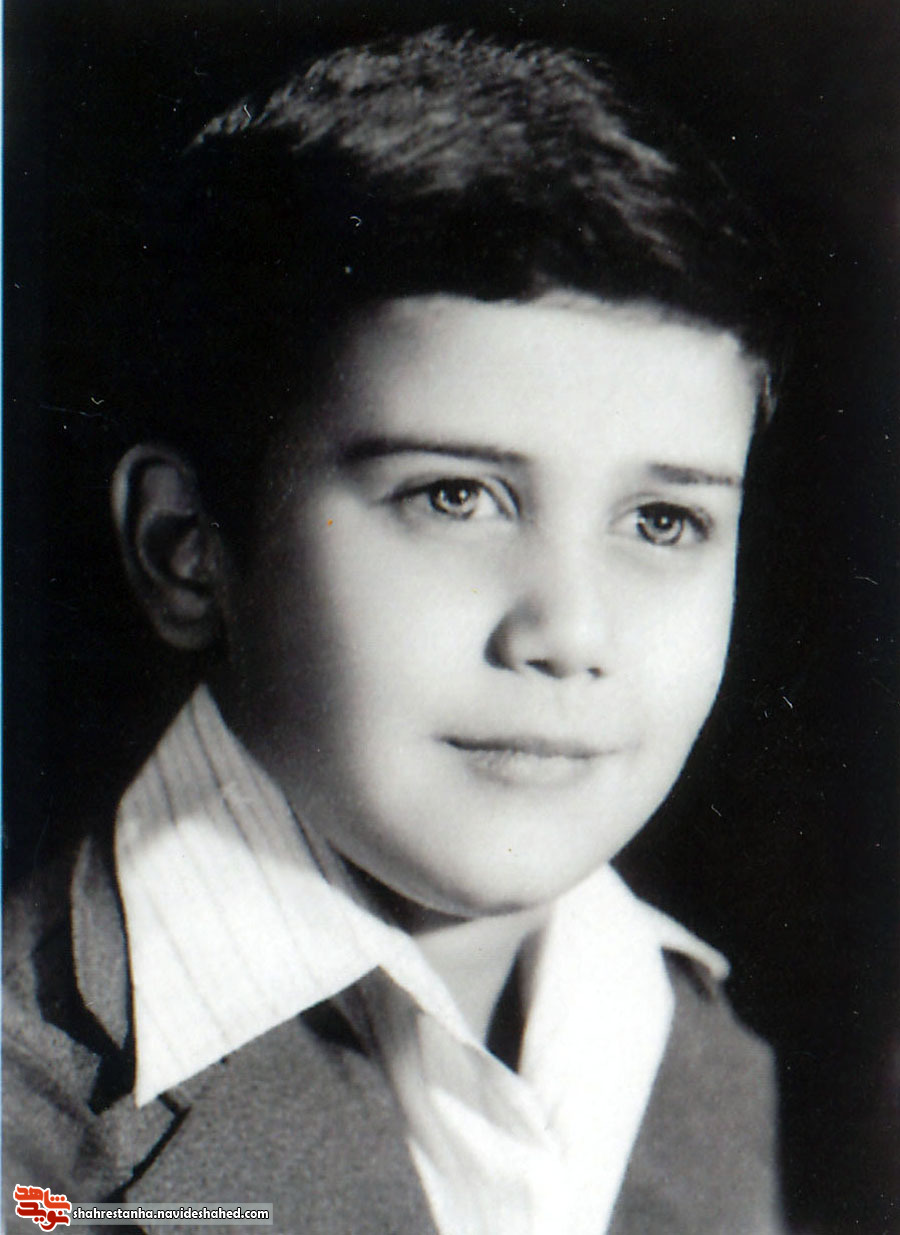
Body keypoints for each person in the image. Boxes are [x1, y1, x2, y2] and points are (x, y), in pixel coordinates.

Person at [4, 26, 790, 1234]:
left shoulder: (697, 1051)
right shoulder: (34, 1133)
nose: (568, 631)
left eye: (664, 520)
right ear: (187, 546)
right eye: (454, 496)